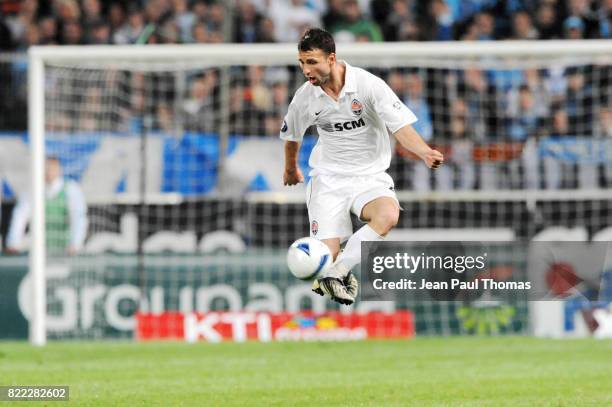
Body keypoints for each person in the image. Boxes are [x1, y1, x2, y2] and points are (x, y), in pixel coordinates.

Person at [281, 28, 443, 305]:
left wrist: (424, 152)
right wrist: (290, 168)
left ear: (331, 59)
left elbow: (400, 127)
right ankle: (331, 272)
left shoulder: (368, 85)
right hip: (328, 180)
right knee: (324, 257)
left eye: (312, 62)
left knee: (388, 216)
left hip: (369, 177)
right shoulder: (305, 97)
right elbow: (291, 136)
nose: (305, 70)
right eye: (301, 62)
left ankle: (339, 273)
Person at [6, 157, 87, 255]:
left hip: (65, 249)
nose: (49, 171)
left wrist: (75, 244)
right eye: (46, 168)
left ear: (59, 170)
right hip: (38, 249)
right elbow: (20, 216)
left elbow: (79, 218)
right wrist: (13, 242)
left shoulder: (71, 189)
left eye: (52, 168)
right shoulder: (32, 190)